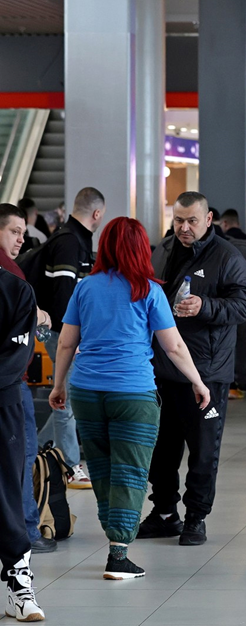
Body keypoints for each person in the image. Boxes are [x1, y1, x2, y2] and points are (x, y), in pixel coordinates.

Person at [50, 216, 210, 582]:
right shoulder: (148, 290)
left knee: (104, 470)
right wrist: (198, 382)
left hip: (87, 392)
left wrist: (59, 385)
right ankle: (118, 554)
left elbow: (65, 341)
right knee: (131, 471)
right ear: (141, 250)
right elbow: (173, 346)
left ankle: (114, 538)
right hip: (133, 393)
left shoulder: (85, 288)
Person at [139, 192, 246, 547]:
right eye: (178, 220)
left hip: (205, 373)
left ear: (209, 219)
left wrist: (205, 306)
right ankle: (165, 513)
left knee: (203, 452)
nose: (184, 228)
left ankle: (196, 517)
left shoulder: (227, 257)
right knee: (162, 449)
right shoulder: (165, 250)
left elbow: (244, 305)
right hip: (162, 368)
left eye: (191, 221)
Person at [27, 187, 106, 491]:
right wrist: (71, 338)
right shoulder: (70, 242)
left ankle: (35, 448)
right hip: (59, 331)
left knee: (66, 395)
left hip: (59, 329)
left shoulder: (70, 237)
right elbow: (63, 295)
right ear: (96, 213)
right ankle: (71, 465)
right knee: (67, 398)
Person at [0, 206, 56, 556]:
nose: (22, 239)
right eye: (14, 231)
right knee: (21, 453)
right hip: (9, 383)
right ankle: (26, 529)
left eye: (23, 231)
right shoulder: (9, 272)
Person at [0, 227, 43, 619]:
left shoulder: (16, 291)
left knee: (7, 492)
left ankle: (18, 583)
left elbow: (17, 356)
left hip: (3, 404)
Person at [219, 209, 246, 401]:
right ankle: (241, 379)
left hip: (227, 301)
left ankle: (229, 381)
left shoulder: (225, 245)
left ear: (225, 223)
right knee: (242, 342)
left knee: (227, 342)